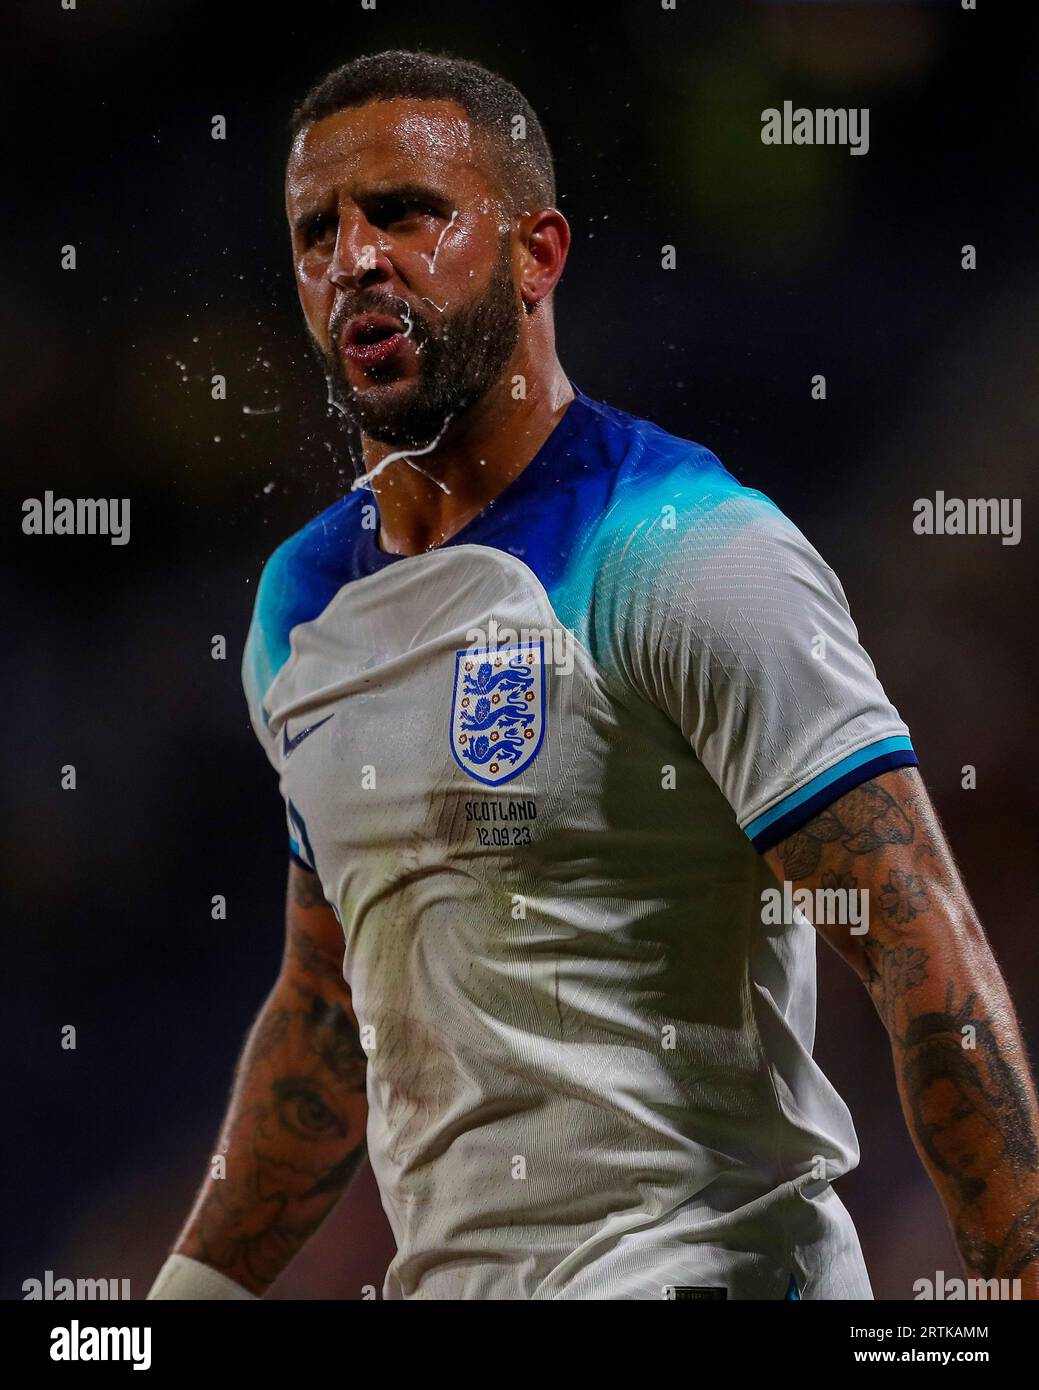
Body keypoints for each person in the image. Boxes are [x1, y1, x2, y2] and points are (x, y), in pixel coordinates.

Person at [148, 49, 1039, 1301]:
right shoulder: (300, 607)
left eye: (406, 212)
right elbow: (326, 1006)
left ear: (537, 252)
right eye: (316, 231)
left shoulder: (688, 551)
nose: (353, 256)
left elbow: (917, 948)